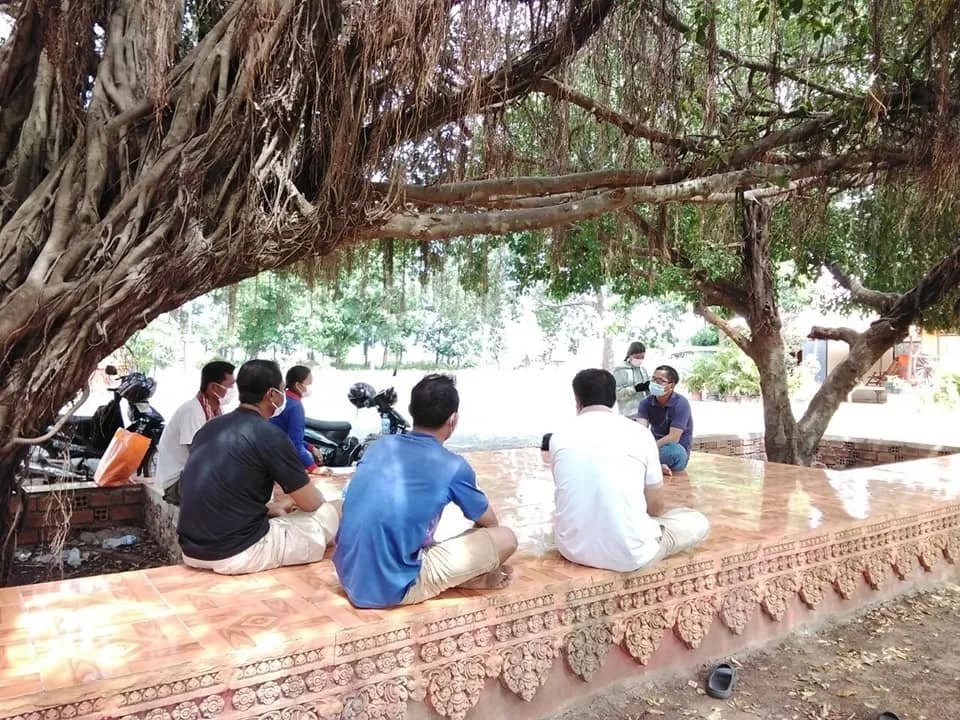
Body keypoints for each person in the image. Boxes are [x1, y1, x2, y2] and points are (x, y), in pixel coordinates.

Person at [334, 374, 517, 609]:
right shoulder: (453, 466)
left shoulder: (379, 446)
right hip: (393, 589)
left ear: (411, 410)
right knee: (505, 538)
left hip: (348, 576)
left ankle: (456, 573)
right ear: (453, 420)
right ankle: (467, 577)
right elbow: (490, 524)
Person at [176, 359, 339, 575]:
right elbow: (312, 503)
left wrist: (269, 508)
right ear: (272, 394)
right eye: (281, 389)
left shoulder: (210, 428)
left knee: (289, 512)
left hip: (191, 550)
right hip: (239, 553)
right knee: (333, 510)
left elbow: (215, 491)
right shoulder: (269, 434)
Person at [548, 369, 709, 572]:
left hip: (572, 549)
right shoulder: (640, 434)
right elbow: (655, 508)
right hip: (632, 555)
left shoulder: (559, 436)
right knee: (695, 520)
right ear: (613, 398)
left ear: (577, 400)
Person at [155, 360, 236, 505]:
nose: (233, 391)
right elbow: (199, 456)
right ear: (213, 387)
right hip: (177, 483)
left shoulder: (216, 410)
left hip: (193, 477)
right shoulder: (193, 411)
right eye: (230, 386)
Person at [636, 365, 694, 472]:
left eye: (661, 381)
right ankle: (657, 466)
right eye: (653, 379)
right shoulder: (645, 403)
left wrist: (650, 449)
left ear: (672, 385)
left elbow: (674, 437)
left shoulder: (681, 403)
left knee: (675, 453)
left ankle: (650, 465)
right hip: (653, 448)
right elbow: (641, 430)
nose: (655, 383)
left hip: (672, 448)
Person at [270, 365, 324, 472]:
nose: (310, 387)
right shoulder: (295, 406)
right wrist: (313, 468)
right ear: (298, 385)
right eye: (309, 383)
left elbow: (286, 435)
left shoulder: (284, 399)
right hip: (278, 456)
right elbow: (294, 443)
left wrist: (310, 447)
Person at [613, 341, 650, 417]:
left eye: (642, 357)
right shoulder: (620, 370)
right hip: (628, 415)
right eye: (637, 357)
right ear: (629, 355)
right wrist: (635, 389)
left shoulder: (643, 370)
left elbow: (648, 394)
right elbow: (616, 395)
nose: (640, 359)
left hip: (644, 414)